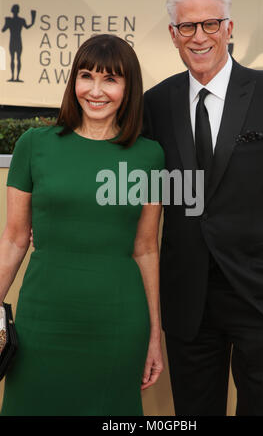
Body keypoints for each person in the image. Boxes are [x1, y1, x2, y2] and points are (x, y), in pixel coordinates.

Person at [143, 0, 263, 416]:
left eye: (210, 24)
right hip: (188, 300)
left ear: (229, 28)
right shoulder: (156, 104)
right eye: (188, 27)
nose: (200, 37)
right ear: (173, 35)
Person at [0, 34, 164, 416]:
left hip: (119, 324)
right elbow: (13, 239)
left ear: (129, 88)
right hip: (42, 320)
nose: (95, 90)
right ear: (73, 80)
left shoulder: (149, 156)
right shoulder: (33, 145)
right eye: (86, 76)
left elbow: (146, 248)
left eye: (111, 79)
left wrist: (155, 335)